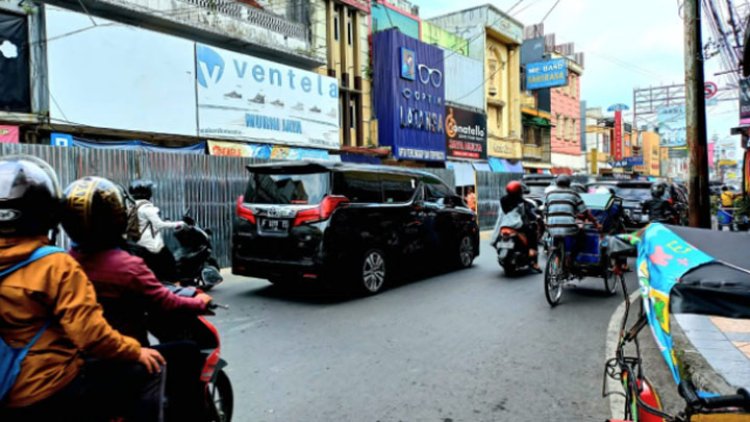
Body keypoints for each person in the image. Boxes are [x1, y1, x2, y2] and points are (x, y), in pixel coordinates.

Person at [0, 156, 165, 421]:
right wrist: (135, 350)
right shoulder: (55, 265)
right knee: (150, 369)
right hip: (48, 388)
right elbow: (91, 335)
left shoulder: (67, 259)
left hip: (5, 388)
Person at [61, 176, 213, 421]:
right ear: (116, 216)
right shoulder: (128, 267)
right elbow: (166, 301)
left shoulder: (62, 262)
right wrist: (199, 302)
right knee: (188, 352)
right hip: (119, 356)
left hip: (78, 363)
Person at [128, 179, 184, 282]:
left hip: (137, 242)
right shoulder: (147, 207)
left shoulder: (131, 206)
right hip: (151, 244)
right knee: (170, 261)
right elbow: (159, 224)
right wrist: (178, 223)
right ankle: (176, 286)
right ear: (147, 193)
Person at [544, 175, 600, 263]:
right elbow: (585, 212)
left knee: (556, 235)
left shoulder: (549, 194)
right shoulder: (573, 194)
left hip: (551, 226)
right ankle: (571, 257)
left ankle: (557, 256)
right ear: (569, 184)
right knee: (581, 236)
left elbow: (545, 211)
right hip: (568, 226)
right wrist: (596, 223)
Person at [492, 181, 541, 271]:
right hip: (516, 224)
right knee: (531, 230)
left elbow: (501, 214)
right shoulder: (520, 201)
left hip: (503, 224)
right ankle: (532, 255)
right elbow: (526, 213)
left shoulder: (502, 200)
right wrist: (535, 217)